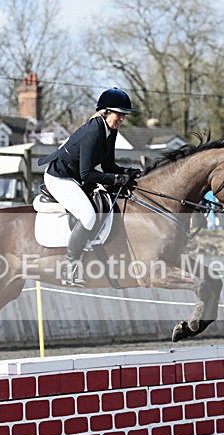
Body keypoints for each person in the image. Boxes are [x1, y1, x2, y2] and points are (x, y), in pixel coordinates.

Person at [38, 87, 142, 286]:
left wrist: (128, 172)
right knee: (88, 215)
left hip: (76, 177)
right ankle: (71, 266)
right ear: (106, 112)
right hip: (60, 178)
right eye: (119, 114)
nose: (122, 119)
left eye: (124, 115)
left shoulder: (110, 130)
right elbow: (87, 173)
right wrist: (116, 179)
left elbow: (108, 166)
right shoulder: (93, 131)